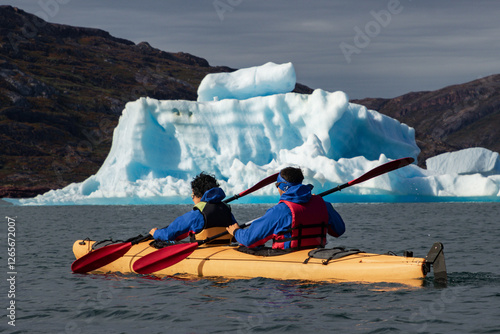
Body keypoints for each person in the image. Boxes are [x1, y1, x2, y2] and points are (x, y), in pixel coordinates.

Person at [226, 166, 345, 252]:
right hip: (316, 254)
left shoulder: (279, 211)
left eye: (277, 186)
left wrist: (236, 232)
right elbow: (339, 231)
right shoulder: (323, 205)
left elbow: (249, 240)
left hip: (288, 260)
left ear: (283, 187)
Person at [149, 172, 238, 245]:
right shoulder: (227, 210)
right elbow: (235, 237)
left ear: (199, 195)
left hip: (203, 253)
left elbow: (169, 234)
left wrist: (156, 233)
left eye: (192, 195)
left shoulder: (196, 214)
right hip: (224, 251)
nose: (192, 198)